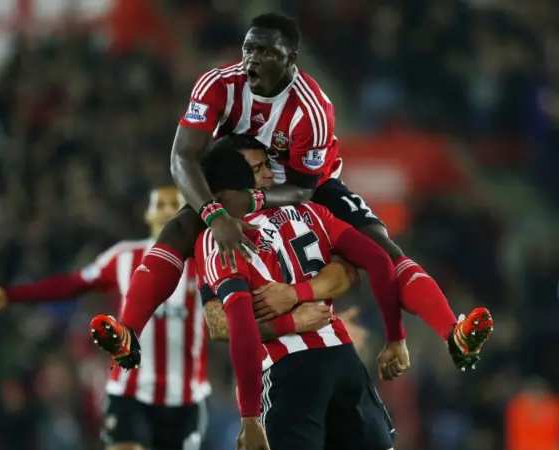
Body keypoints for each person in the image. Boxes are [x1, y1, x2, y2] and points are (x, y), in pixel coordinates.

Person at [99, 12, 493, 373]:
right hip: (237, 181)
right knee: (178, 230)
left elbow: (304, 190)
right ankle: (128, 330)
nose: (252, 58)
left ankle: (453, 332)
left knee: (381, 246)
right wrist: (216, 214)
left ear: (291, 58)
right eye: (249, 48)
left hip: (302, 186)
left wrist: (251, 202)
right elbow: (181, 159)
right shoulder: (218, 85)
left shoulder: (313, 109)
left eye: (266, 51)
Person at [194, 140, 413, 450]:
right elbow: (377, 262)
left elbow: (233, 324)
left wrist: (250, 418)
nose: (270, 172)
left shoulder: (221, 237)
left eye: (268, 164)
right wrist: (395, 337)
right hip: (342, 362)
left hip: (288, 372)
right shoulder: (309, 212)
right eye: (258, 168)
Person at [0, 187, 209, 450]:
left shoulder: (204, 260)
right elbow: (72, 284)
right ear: (149, 214)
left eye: (176, 204)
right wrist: (11, 295)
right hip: (129, 392)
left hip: (182, 397)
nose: (168, 209)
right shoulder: (124, 257)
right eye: (162, 204)